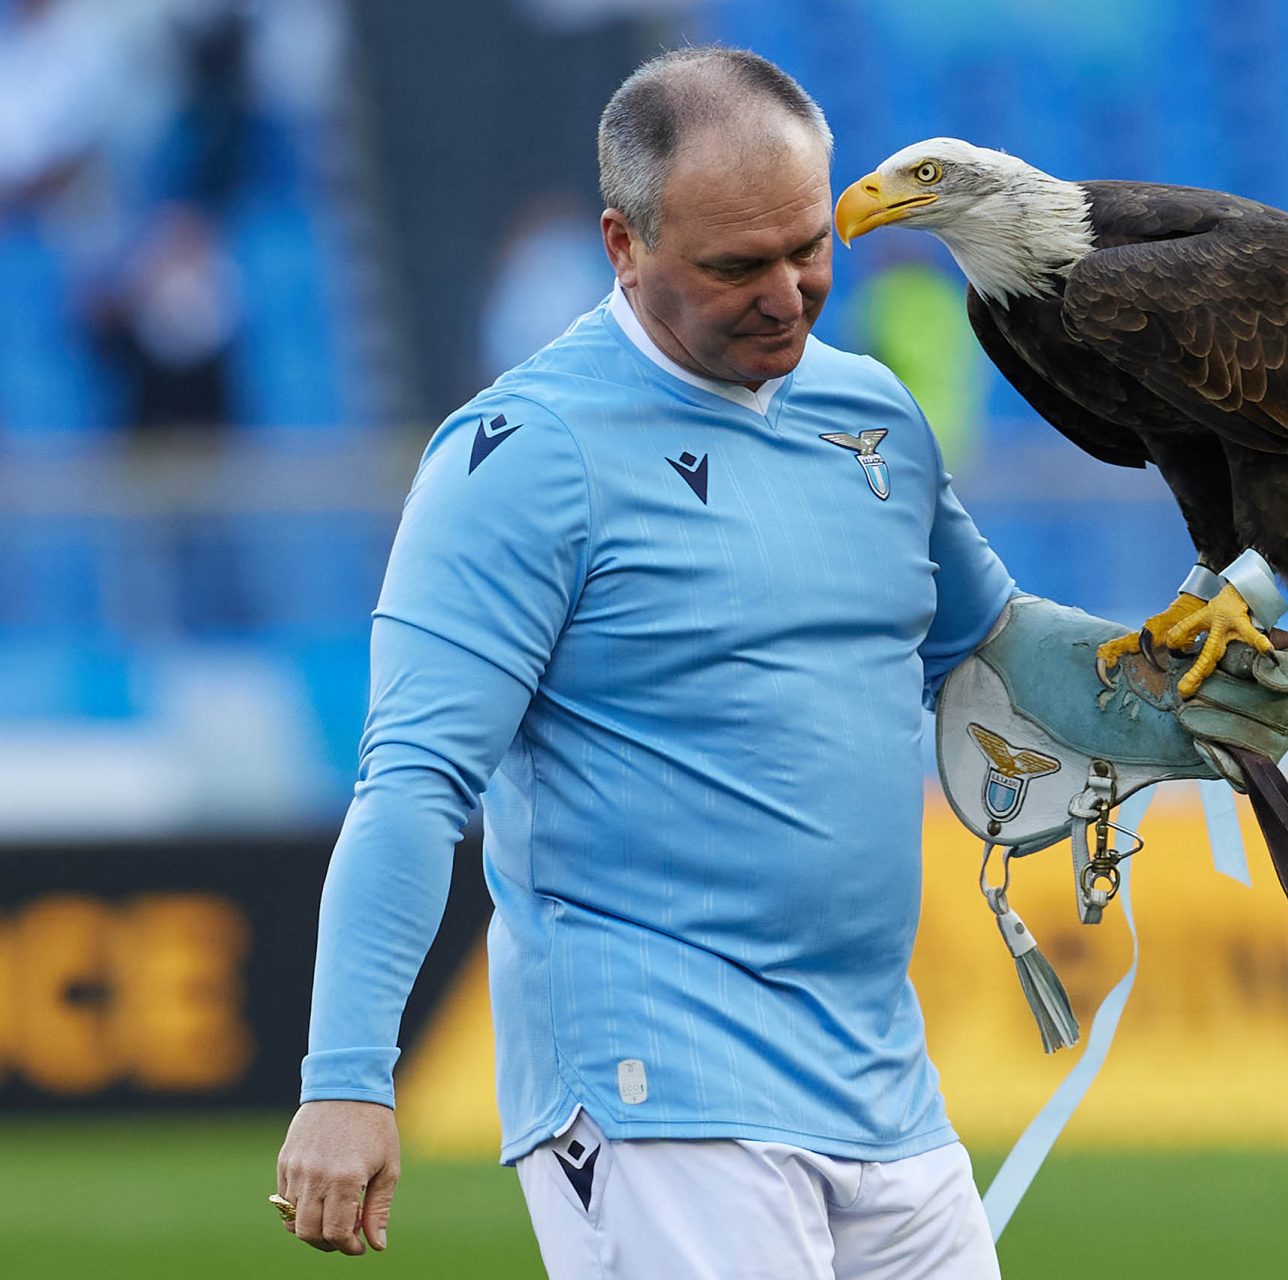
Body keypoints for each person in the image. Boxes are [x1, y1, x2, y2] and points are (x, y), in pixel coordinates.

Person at [275, 47, 1012, 1277]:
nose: (786, 292)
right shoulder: (522, 455)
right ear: (622, 244)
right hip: (654, 1082)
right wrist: (345, 1076)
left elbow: (990, 648)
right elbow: (410, 783)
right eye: (737, 265)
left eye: (809, 248)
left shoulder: (873, 413)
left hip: (882, 1076)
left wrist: (1171, 680)